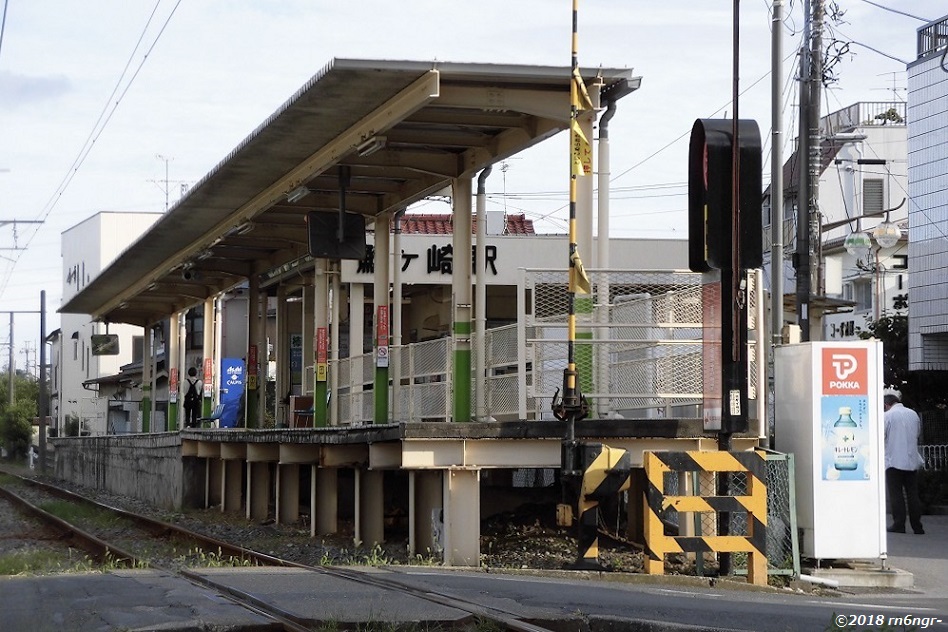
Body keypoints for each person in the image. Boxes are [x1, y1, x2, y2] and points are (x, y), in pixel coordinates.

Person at [883, 391, 925, 535]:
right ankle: (917, 526)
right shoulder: (913, 414)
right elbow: (917, 434)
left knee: (897, 494)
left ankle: (899, 524)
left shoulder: (887, 416)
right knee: (913, 494)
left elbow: (882, 435)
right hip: (912, 460)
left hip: (893, 460)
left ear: (886, 405)